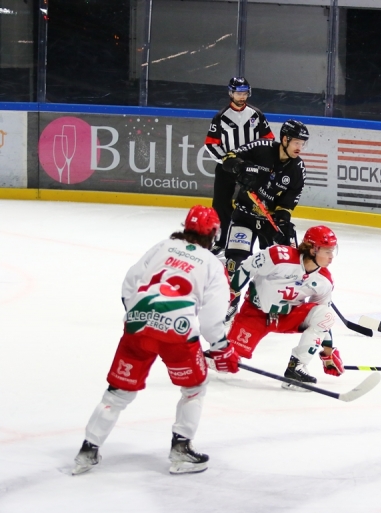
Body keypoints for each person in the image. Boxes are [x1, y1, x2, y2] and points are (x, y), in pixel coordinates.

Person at [72, 206, 239, 476]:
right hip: (177, 332)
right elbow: (211, 319)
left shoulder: (163, 246)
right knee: (194, 388)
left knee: (117, 392)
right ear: (214, 234)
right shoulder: (212, 264)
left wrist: (137, 314)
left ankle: (88, 450)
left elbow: (130, 281)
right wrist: (221, 347)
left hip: (137, 327)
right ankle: (181, 449)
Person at [226, 225, 344, 389]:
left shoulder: (325, 280)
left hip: (288, 318)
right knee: (223, 363)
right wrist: (231, 294)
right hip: (255, 314)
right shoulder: (278, 256)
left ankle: (295, 368)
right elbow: (247, 267)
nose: (332, 257)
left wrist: (328, 353)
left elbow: (323, 318)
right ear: (312, 249)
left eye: (333, 251)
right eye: (327, 251)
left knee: (326, 315)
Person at [219, 119, 309, 319]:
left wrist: (283, 221)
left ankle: (270, 300)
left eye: (303, 144)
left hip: (269, 221)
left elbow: (289, 200)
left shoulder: (298, 169)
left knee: (278, 265)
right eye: (297, 142)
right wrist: (240, 168)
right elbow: (229, 158)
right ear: (285, 139)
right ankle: (231, 299)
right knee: (235, 260)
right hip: (244, 214)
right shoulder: (261, 147)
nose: (300, 148)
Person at [205, 77, 274, 254]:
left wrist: (260, 166)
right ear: (231, 93)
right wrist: (226, 160)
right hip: (227, 168)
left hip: (251, 169)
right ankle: (222, 240)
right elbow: (211, 144)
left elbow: (268, 140)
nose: (242, 96)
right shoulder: (221, 117)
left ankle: (263, 244)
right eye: (238, 93)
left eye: (244, 93)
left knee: (256, 206)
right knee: (220, 204)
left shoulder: (256, 115)